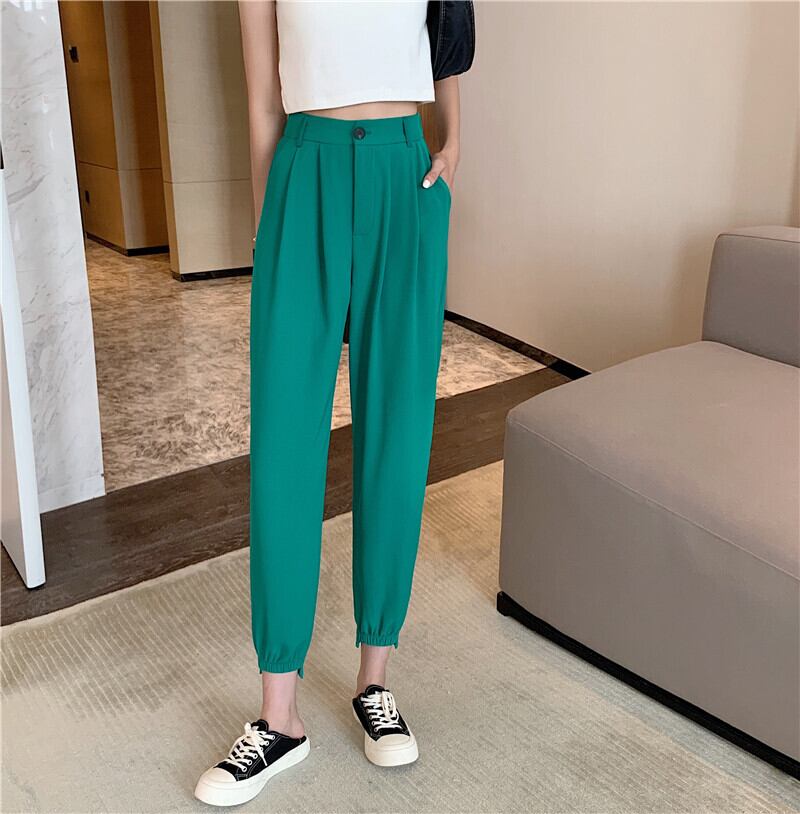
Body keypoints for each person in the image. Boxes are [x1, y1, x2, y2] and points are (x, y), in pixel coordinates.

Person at [195, 0, 459, 805]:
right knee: (283, 445)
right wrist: (266, 229)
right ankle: (279, 717)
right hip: (302, 177)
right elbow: (261, 102)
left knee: (397, 435)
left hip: (404, 173)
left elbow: (450, 41)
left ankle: (375, 678)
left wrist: (454, 140)